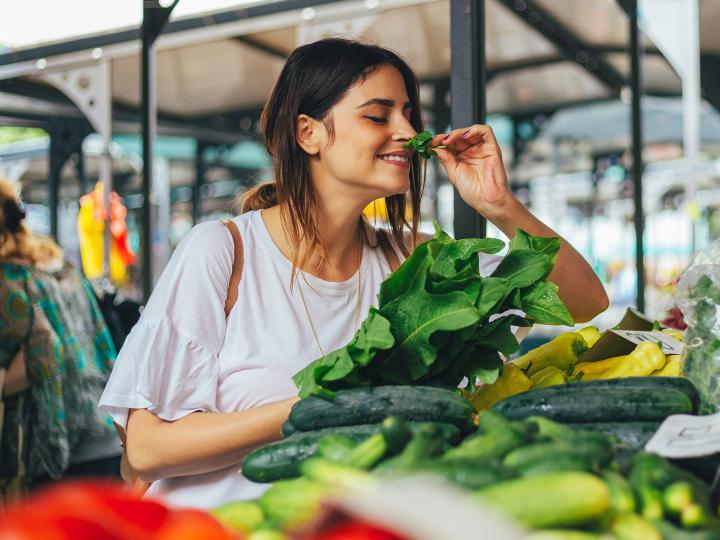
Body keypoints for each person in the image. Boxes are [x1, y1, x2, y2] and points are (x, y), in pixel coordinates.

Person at [99, 38, 609, 509]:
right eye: (377, 116)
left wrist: (498, 203)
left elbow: (585, 300)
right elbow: (146, 449)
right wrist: (322, 404)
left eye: (408, 114)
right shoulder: (223, 251)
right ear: (309, 133)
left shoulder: (413, 263)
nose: (408, 133)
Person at [0, 178, 121, 496]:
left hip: (58, 450)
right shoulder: (55, 263)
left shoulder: (8, 276)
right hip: (105, 431)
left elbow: (44, 351)